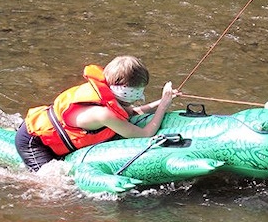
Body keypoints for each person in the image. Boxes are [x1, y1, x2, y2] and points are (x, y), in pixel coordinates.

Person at [15, 55, 180, 172]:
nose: (140, 95)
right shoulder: (102, 114)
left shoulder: (109, 101)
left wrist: (160, 101)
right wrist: (163, 106)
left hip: (52, 133)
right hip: (34, 140)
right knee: (54, 182)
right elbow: (145, 134)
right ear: (125, 90)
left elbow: (130, 113)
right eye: (137, 91)